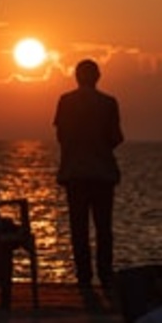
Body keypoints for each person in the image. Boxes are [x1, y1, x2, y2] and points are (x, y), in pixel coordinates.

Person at [53, 58, 124, 291]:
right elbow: (116, 138)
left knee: (78, 227)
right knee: (104, 228)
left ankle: (83, 277)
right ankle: (105, 275)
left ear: (76, 76)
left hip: (74, 173)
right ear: (98, 77)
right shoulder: (108, 103)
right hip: (102, 173)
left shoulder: (65, 101)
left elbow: (61, 135)